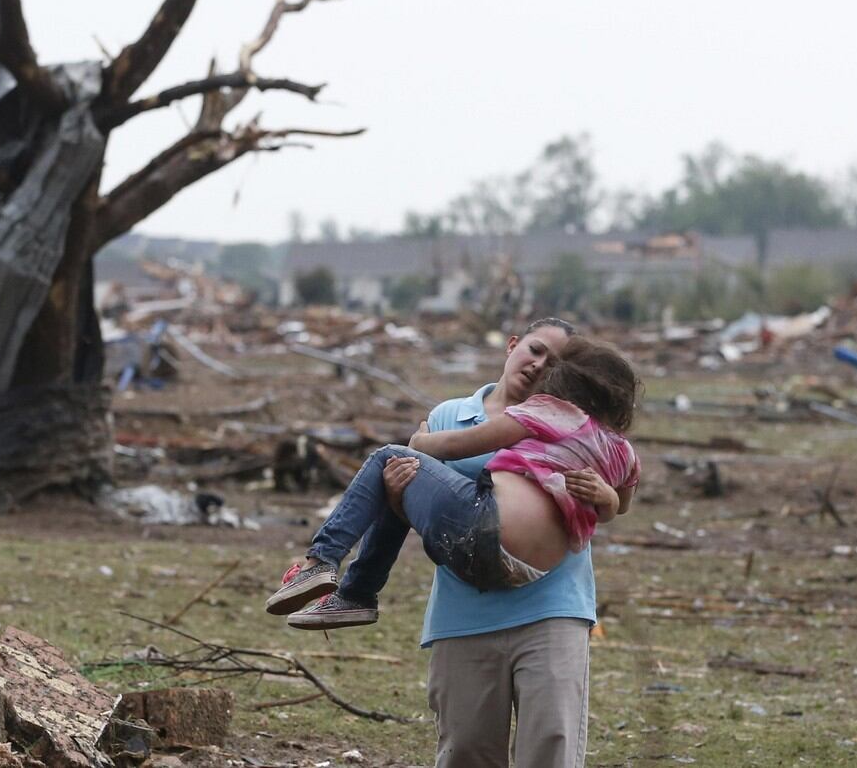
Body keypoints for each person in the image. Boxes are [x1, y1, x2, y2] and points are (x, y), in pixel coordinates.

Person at [269, 318, 631, 767]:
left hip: (551, 608)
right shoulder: (450, 416)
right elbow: (429, 512)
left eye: (554, 363)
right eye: (535, 350)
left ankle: (336, 577)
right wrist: (400, 499)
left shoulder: (576, 424)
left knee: (550, 748)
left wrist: (610, 498)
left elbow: (616, 499)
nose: (540, 366)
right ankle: (348, 590)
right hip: (465, 612)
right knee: (466, 752)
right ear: (512, 344)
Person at [264, 335, 640, 630]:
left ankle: (324, 565)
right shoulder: (623, 451)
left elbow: (459, 445)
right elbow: (621, 506)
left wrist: (420, 442)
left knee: (390, 460)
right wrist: (606, 497)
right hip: (523, 573)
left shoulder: (551, 410)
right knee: (403, 478)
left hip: (484, 530)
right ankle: (355, 594)